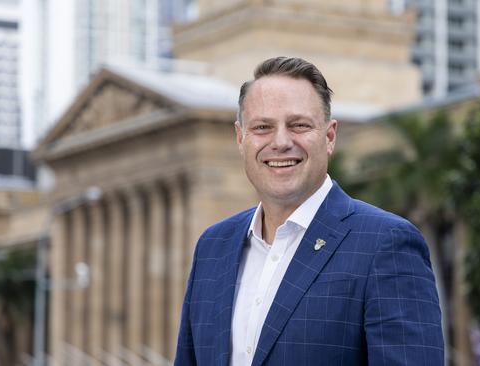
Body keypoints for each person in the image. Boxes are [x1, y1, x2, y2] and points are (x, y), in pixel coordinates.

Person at [174, 56, 444, 365]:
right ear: (240, 138)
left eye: (299, 125)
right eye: (262, 127)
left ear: (329, 137)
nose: (281, 142)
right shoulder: (213, 246)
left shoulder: (385, 244)